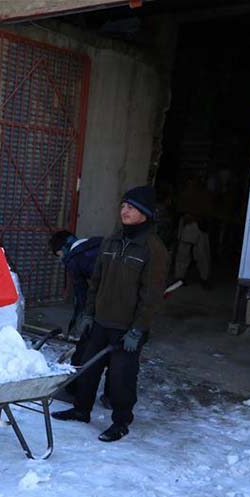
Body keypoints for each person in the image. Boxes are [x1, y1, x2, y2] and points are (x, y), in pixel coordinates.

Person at [52, 185, 169, 442]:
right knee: (87, 369)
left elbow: (151, 296)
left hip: (127, 328)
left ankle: (121, 422)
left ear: (145, 213)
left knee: (121, 378)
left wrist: (138, 329)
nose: (124, 211)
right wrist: (88, 314)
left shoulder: (153, 249)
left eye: (131, 207)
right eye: (123, 206)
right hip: (100, 321)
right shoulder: (111, 241)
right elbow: (96, 282)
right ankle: (82, 410)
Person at [48, 231, 110, 407]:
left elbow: (82, 295)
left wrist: (81, 320)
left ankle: (74, 390)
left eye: (59, 255)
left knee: (85, 350)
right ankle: (111, 398)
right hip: (120, 309)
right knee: (115, 352)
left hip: (100, 310)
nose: (61, 260)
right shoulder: (98, 243)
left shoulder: (75, 259)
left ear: (64, 248)